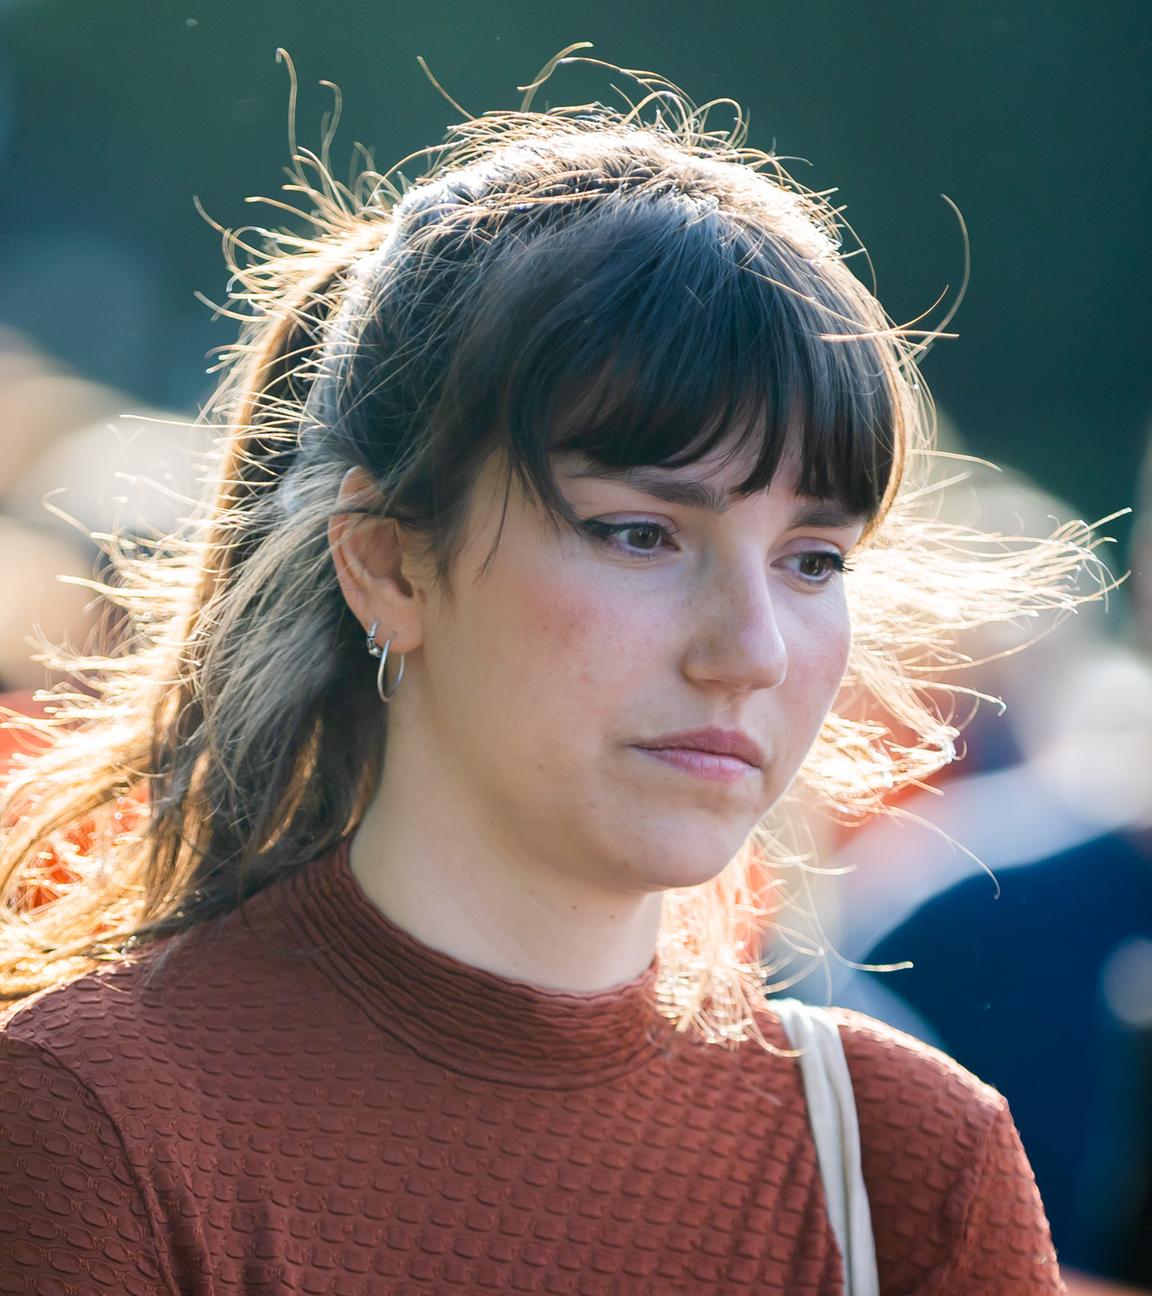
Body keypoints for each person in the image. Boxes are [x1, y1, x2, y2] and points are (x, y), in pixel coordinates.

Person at [0, 48, 1106, 1294]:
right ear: (388, 566)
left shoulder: (906, 1162)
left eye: (812, 559)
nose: (747, 651)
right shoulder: (96, 1125)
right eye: (642, 533)